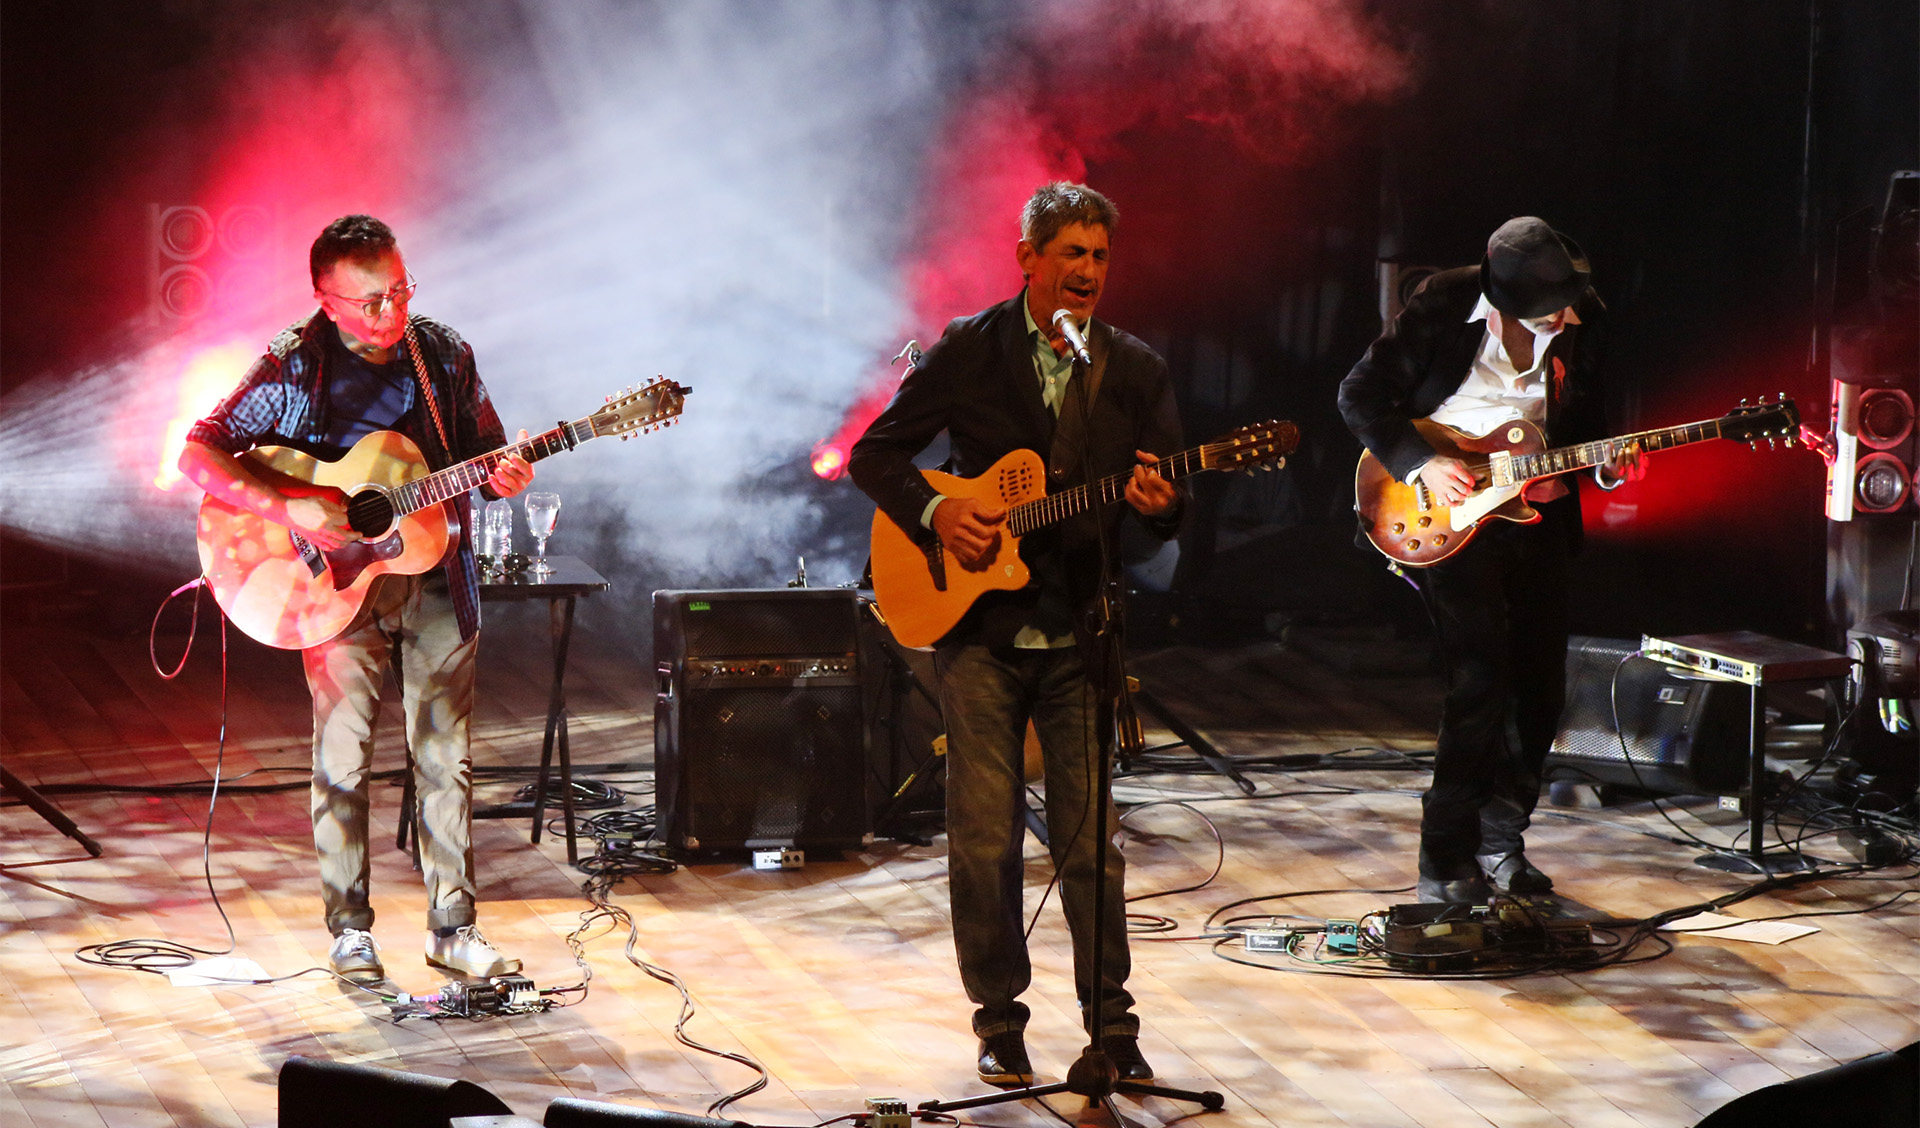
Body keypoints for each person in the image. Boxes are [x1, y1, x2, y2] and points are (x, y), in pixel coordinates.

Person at [849, 182, 1184, 1085]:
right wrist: (934, 517)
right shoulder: (971, 349)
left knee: (1089, 844)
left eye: (1100, 257)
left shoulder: (1134, 370)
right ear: (1029, 259)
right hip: (982, 635)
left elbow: (1162, 509)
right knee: (986, 839)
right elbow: (874, 455)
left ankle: (1110, 1028)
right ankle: (998, 1019)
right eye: (1071, 253)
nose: (1087, 272)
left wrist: (1163, 502)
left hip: (1082, 635)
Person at [179, 214, 533, 981]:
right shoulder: (293, 363)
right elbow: (199, 452)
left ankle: (453, 927)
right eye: (369, 300)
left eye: (400, 290)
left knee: (447, 759)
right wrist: (295, 508)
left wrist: (504, 473)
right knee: (342, 760)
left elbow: (482, 451)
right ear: (326, 300)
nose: (390, 312)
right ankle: (349, 930)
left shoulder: (442, 352)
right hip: (332, 586)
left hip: (436, 576)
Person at [1338, 216, 1646, 904]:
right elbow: (1359, 396)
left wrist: (1608, 464)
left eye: (1570, 303)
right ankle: (1443, 860)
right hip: (1443, 514)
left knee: (1540, 690)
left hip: (1534, 515)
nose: (1567, 315)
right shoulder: (1444, 305)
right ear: (1504, 302)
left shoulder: (1582, 314)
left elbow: (1586, 417)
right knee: (1480, 681)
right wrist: (1424, 462)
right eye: (1550, 310)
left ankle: (1501, 842)